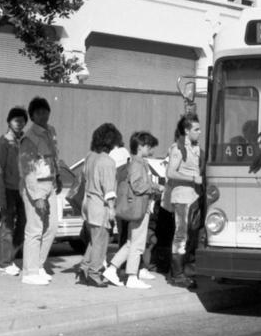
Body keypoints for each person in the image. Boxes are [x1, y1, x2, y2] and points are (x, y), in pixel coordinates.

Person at [105, 131, 162, 289]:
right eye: (149, 146)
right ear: (141, 146)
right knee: (137, 244)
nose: (151, 149)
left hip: (138, 207)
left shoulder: (137, 162)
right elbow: (137, 186)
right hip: (139, 207)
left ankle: (112, 269)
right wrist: (155, 189)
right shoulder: (137, 164)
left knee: (131, 242)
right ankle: (131, 277)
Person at [18, 97, 60, 286]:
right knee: (34, 229)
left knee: (52, 227)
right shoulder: (30, 137)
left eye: (46, 111)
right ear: (32, 115)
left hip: (50, 184)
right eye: (39, 112)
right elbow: (26, 169)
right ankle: (29, 272)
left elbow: (54, 157)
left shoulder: (51, 132)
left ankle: (39, 264)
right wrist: (36, 196)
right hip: (35, 186)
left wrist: (57, 176)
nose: (43, 115)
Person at [76, 123, 124, 287]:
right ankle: (94, 274)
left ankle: (83, 268)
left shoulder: (90, 157)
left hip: (87, 203)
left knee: (94, 240)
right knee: (102, 241)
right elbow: (109, 189)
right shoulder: (108, 162)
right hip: (100, 205)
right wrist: (111, 209)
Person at [165, 114, 202, 288]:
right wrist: (192, 178)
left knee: (191, 235)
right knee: (181, 235)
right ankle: (177, 274)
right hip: (182, 198)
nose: (199, 132)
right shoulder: (178, 148)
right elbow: (170, 173)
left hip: (193, 198)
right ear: (187, 131)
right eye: (196, 129)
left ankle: (186, 269)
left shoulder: (195, 148)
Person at [0, 106, 27, 276]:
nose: (19, 123)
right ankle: (5, 262)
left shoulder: (24, 142)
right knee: (7, 225)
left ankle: (6, 257)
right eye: (16, 120)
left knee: (22, 224)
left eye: (22, 120)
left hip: (23, 190)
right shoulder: (3, 143)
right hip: (8, 189)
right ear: (9, 122)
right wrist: (2, 193)